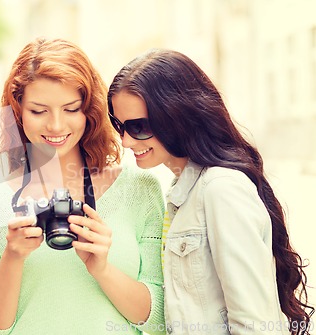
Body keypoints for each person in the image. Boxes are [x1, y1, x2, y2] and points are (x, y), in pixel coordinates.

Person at [0, 37, 166, 335]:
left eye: (71, 109)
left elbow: (158, 320)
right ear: (17, 111)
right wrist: (13, 257)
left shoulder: (140, 189)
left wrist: (102, 269)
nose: (56, 126)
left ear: (90, 110)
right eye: (39, 111)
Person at [107, 49, 314, 334]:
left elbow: (255, 324)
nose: (127, 141)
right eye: (120, 126)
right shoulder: (182, 194)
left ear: (176, 115)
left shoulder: (221, 190)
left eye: (139, 127)